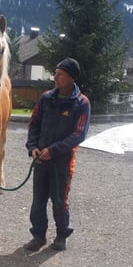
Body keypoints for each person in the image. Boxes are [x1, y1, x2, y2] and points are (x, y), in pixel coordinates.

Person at [24, 57, 91, 251]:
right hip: (40, 161)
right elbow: (34, 124)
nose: (55, 77)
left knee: (59, 202)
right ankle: (38, 235)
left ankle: (61, 234)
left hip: (62, 164)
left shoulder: (81, 103)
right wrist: (32, 147)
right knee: (38, 202)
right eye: (55, 73)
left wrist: (53, 151)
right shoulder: (46, 98)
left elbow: (79, 134)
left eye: (60, 74)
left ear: (71, 78)